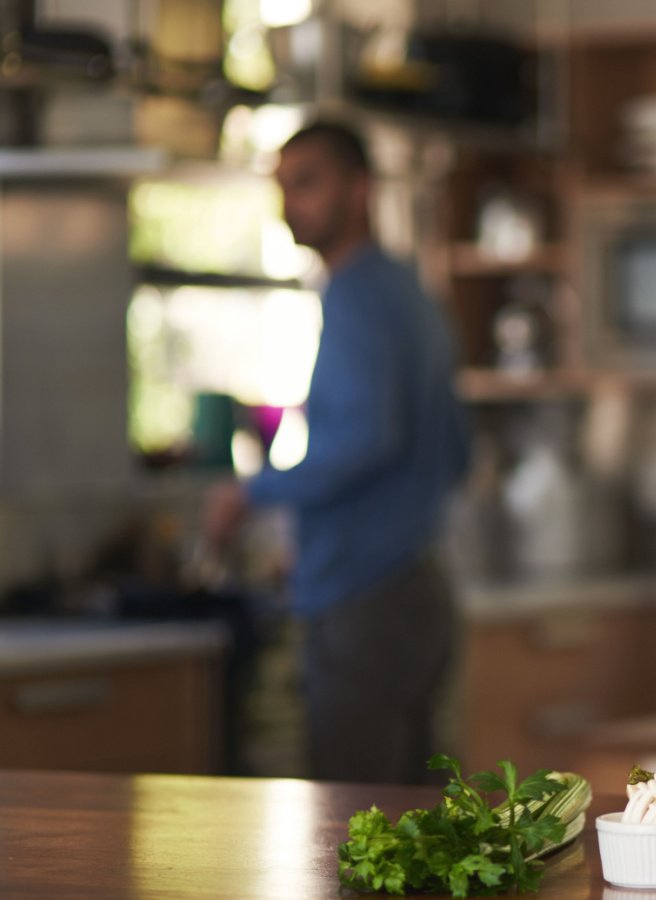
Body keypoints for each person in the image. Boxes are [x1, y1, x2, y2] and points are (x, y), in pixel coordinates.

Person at [204, 121, 470, 784]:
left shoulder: (355, 295)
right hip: (417, 589)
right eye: (284, 187)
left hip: (367, 604)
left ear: (361, 190)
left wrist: (250, 492)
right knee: (423, 835)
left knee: (358, 829)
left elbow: (365, 438)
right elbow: (457, 451)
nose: (291, 203)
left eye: (308, 183)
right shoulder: (410, 291)